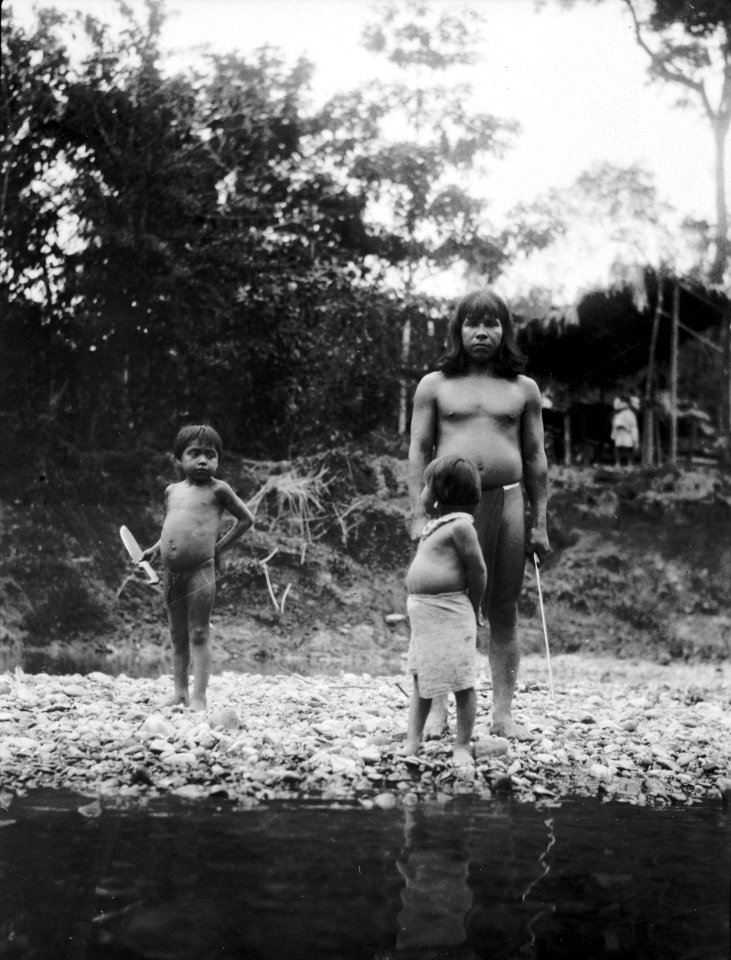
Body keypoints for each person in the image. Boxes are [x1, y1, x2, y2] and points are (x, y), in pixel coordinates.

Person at [408, 289, 550, 741]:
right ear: (458, 330)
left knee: (504, 609)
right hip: (449, 512)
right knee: (447, 609)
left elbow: (536, 457)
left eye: (492, 323)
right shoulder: (435, 385)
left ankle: (503, 714)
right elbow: (418, 450)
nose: (483, 332)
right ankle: (436, 713)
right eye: (473, 323)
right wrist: (416, 512)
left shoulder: (523, 389)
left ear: (505, 330)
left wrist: (539, 520)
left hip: (507, 503)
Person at [141, 424, 255, 711]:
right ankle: (180, 691)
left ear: (218, 460)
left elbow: (246, 519)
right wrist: (157, 548)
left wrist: (218, 548)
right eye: (195, 454)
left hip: (200, 571)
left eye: (211, 455)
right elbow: (173, 526)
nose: (203, 460)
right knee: (177, 633)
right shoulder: (172, 491)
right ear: (179, 459)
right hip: (171, 572)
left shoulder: (219, 489)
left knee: (199, 632)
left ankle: (200, 697)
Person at [402, 454, 487, 767]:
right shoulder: (435, 527)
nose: (421, 493)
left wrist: (475, 608)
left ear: (440, 496)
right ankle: (412, 740)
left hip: (451, 613)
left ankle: (462, 744)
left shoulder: (461, 527)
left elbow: (478, 572)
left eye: (425, 487)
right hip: (425, 617)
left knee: (462, 683)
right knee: (421, 680)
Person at [611, 395, 639, 468]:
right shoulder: (621, 411)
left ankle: (629, 463)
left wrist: (635, 439)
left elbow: (633, 427)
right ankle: (618, 463)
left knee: (628, 447)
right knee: (619, 447)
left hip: (627, 432)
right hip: (620, 431)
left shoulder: (630, 414)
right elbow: (616, 423)